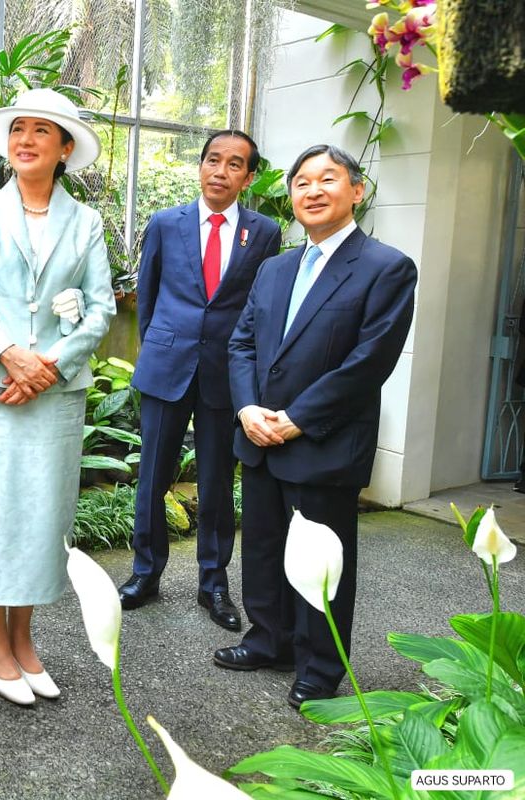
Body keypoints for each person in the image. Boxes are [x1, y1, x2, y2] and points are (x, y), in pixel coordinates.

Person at [215, 144, 417, 711]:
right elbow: (243, 344)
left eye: (328, 179)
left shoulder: (386, 268)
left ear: (357, 190)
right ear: (291, 197)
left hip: (324, 443)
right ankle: (268, 640)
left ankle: (321, 667)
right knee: (260, 550)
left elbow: (369, 361)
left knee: (321, 562)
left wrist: (299, 419)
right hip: (258, 436)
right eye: (301, 182)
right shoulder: (274, 268)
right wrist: (247, 409)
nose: (312, 190)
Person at [0, 88, 114, 706]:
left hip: (55, 392)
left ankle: (25, 638)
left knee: (43, 515)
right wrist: (10, 354)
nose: (27, 139)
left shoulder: (86, 221)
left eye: (43, 130)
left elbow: (100, 309)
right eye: (19, 129)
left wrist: (50, 365)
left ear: (65, 149)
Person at [118, 130, 282, 631]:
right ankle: (146, 573)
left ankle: (214, 583)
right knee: (152, 477)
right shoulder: (167, 223)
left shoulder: (266, 232)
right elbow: (147, 298)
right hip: (167, 366)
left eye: (234, 165)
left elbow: (259, 307)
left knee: (214, 481)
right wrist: (160, 347)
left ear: (248, 177)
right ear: (200, 166)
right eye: (213, 160)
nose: (220, 171)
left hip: (224, 375)